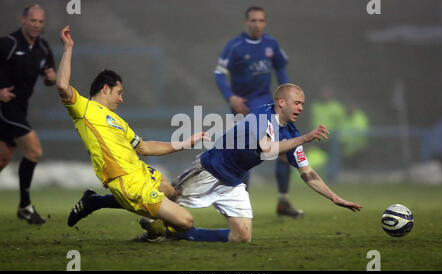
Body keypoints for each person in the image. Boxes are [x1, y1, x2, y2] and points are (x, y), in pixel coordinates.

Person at [58, 26, 231, 243]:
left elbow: (144, 147)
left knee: (170, 191)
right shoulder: (83, 109)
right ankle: (229, 236)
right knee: (185, 222)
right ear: (105, 89)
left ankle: (100, 204)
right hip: (127, 183)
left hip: (140, 171)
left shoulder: (118, 120)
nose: (121, 99)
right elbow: (62, 86)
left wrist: (184, 143)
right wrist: (68, 48)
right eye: (118, 93)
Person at [138, 83, 363, 243]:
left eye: (303, 104)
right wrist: (306, 137)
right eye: (297, 102)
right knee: (167, 197)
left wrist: (334, 198)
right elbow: (266, 147)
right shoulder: (261, 115)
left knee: (242, 236)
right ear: (281, 102)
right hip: (211, 170)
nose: (301, 107)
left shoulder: (291, 133)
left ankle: (177, 235)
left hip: (233, 182)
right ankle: (109, 201)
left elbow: (308, 173)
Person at [214, 6, 300, 218]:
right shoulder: (235, 46)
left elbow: (280, 68)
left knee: (282, 152)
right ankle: (241, 206)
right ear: (246, 23)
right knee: (246, 155)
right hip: (243, 107)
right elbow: (219, 74)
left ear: (265, 22)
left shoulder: (271, 44)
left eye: (261, 20)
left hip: (267, 106)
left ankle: (283, 201)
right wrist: (231, 97)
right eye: (253, 20)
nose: (257, 24)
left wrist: (287, 97)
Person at [0, 4, 56, 224]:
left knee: (3, 158)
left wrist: (51, 78)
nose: (36, 25)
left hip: (20, 108)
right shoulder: (8, 44)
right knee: (34, 151)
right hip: (5, 108)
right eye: (33, 20)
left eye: (41, 22)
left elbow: (48, 77)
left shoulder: (42, 47)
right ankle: (25, 206)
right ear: (23, 20)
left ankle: (24, 206)